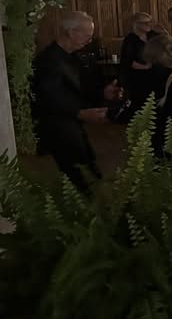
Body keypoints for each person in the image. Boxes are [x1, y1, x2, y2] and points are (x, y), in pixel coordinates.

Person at [32, 11, 121, 190]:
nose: (89, 40)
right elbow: (49, 97)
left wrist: (103, 93)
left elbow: (81, 88)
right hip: (57, 125)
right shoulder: (48, 60)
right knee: (79, 177)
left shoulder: (73, 56)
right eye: (87, 36)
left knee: (89, 170)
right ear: (71, 32)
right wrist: (80, 113)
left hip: (71, 122)